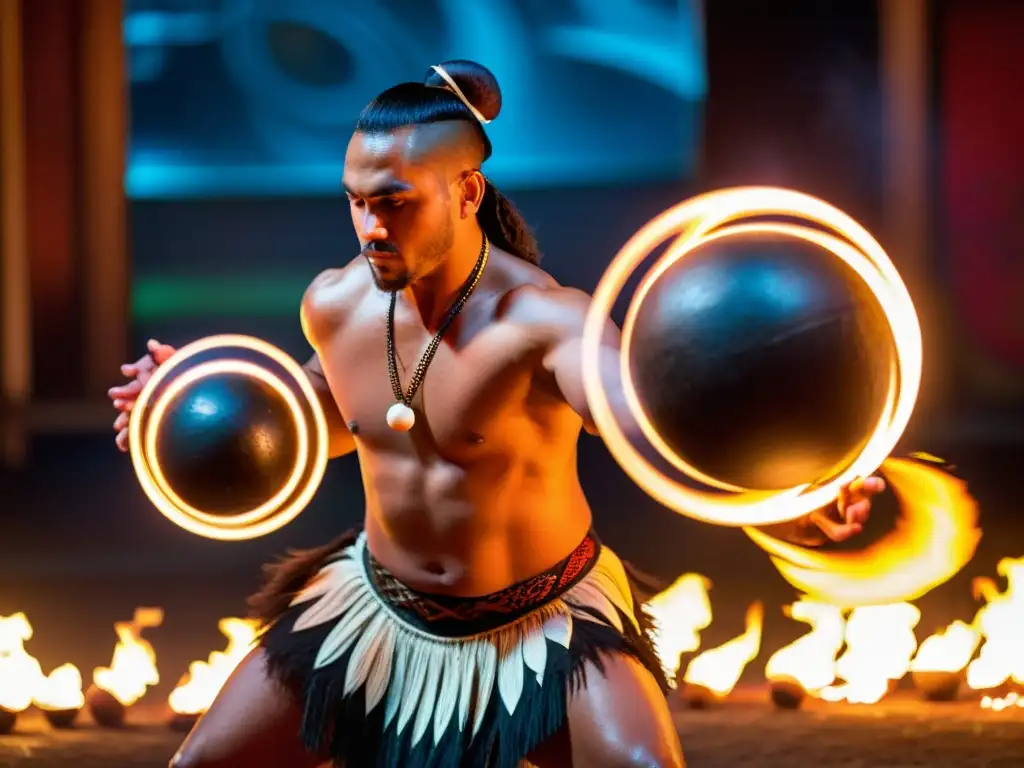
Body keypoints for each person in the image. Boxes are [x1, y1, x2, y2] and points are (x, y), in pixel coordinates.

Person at [108, 60, 884, 768]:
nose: (372, 229)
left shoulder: (545, 323)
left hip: (544, 624)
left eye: (395, 204)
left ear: (467, 193)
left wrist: (782, 497)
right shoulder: (335, 303)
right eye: (356, 204)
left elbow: (648, 425)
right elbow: (331, 422)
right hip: (377, 610)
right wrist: (195, 399)